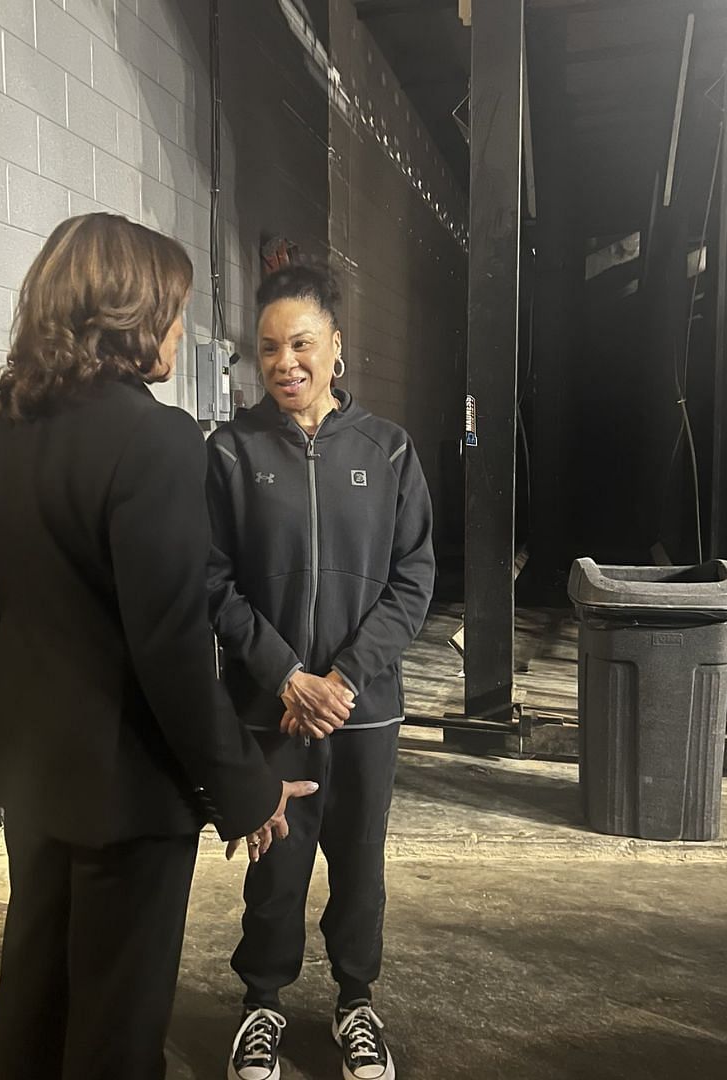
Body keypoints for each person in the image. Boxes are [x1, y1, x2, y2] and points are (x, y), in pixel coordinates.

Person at [0, 213, 316, 1079]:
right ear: (127, 313)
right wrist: (245, 787)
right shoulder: (156, 438)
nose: (180, 329)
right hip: (128, 781)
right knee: (117, 1020)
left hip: (36, 768)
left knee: (35, 986)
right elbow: (172, 643)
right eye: (173, 308)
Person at [207, 262, 435, 1080]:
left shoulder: (390, 450)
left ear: (336, 347)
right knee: (273, 866)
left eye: (302, 343)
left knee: (359, 865)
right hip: (273, 711)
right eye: (269, 348)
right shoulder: (231, 452)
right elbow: (213, 582)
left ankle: (356, 1004)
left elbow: (414, 579)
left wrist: (342, 679)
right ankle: (261, 1006)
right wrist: (284, 676)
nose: (285, 362)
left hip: (362, 712)